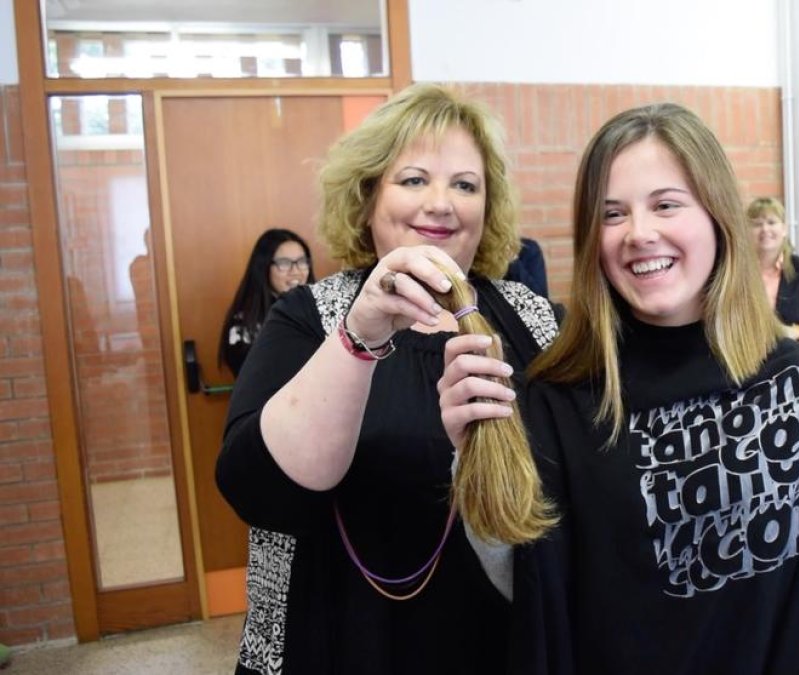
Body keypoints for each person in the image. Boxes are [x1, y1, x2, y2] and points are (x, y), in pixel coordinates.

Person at [441, 103, 799, 673]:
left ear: (717, 215)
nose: (639, 234)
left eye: (666, 204)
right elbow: (527, 590)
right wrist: (477, 459)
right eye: (612, 214)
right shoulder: (558, 400)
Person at [215, 84, 560, 674]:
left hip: (497, 642)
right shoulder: (307, 318)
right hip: (345, 641)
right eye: (414, 179)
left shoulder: (536, 321)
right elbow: (257, 492)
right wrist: (360, 336)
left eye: (465, 185)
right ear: (368, 196)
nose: (441, 203)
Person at [217, 228, 316, 375]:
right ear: (263, 267)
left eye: (302, 262)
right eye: (284, 263)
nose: (296, 271)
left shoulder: (321, 310)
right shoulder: (243, 324)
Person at [747, 196, 799, 344]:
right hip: (745, 357)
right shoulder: (738, 271)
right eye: (757, 224)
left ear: (784, 229)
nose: (765, 229)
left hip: (791, 357)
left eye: (772, 222)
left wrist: (796, 331)